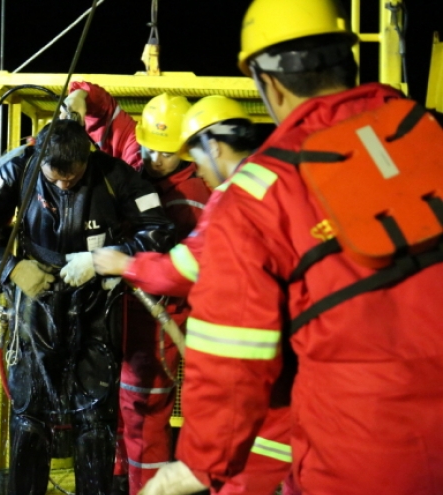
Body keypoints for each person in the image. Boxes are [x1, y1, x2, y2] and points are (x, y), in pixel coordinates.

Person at [138, 0, 443, 494]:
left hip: (361, 458)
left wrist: (196, 464)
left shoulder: (260, 193)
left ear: (270, 83)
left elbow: (232, 354)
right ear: (347, 57)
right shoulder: (428, 134)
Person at [0, 119, 176, 495]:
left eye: (71, 178)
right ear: (39, 158)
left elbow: (158, 228)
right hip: (34, 295)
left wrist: (108, 258)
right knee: (30, 415)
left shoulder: (113, 174)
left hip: (96, 303)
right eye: (54, 179)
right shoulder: (19, 168)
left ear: (86, 159)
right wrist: (11, 268)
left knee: (96, 418)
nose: (63, 185)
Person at [94, 95, 299, 495]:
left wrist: (123, 265)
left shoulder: (230, 198)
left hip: (252, 370)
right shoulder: (276, 179)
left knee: (239, 467)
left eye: (194, 155)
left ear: (216, 146)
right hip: (293, 364)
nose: (197, 165)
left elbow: (184, 269)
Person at [62, 86, 211, 495]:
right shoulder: (138, 161)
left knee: (144, 413)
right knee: (118, 411)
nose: (153, 158)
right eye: (149, 147)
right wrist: (79, 98)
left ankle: (146, 488)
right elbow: (108, 110)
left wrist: (120, 265)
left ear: (186, 149)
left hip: (157, 317)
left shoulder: (193, 199)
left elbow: (181, 272)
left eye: (166, 152)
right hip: (117, 312)